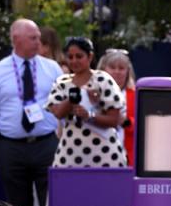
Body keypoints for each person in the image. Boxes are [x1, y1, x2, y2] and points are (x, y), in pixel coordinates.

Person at [0, 19, 62, 206]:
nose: (38, 43)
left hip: (46, 144)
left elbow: (63, 106)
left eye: (39, 38)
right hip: (11, 148)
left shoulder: (52, 68)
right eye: (33, 38)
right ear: (16, 39)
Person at [46, 37, 127, 168]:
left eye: (79, 56)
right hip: (71, 154)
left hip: (105, 154)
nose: (74, 61)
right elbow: (58, 113)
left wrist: (89, 116)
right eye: (70, 57)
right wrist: (73, 97)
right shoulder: (62, 82)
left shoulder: (103, 80)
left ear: (90, 57)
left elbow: (114, 119)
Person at [97, 48, 136, 166]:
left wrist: (126, 121)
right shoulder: (93, 92)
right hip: (98, 153)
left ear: (127, 71)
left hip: (127, 156)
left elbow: (144, 126)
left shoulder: (135, 94)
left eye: (121, 68)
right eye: (112, 67)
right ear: (103, 69)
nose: (117, 72)